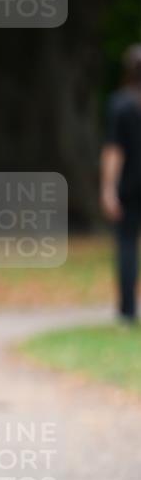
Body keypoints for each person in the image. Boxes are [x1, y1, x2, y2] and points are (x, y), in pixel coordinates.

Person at [100, 44, 141, 323]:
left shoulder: (121, 105)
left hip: (130, 186)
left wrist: (108, 188)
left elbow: (114, 151)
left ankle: (127, 312)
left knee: (127, 245)